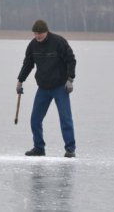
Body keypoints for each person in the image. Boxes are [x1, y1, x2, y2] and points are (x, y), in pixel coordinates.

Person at [17, 20, 77, 158]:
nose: (37, 36)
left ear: (46, 32)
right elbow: (28, 64)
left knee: (65, 118)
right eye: (35, 34)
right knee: (35, 119)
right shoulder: (32, 46)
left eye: (40, 34)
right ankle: (39, 148)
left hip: (60, 87)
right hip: (43, 88)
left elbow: (71, 60)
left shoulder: (58, 42)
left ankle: (70, 149)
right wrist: (20, 81)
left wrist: (70, 79)